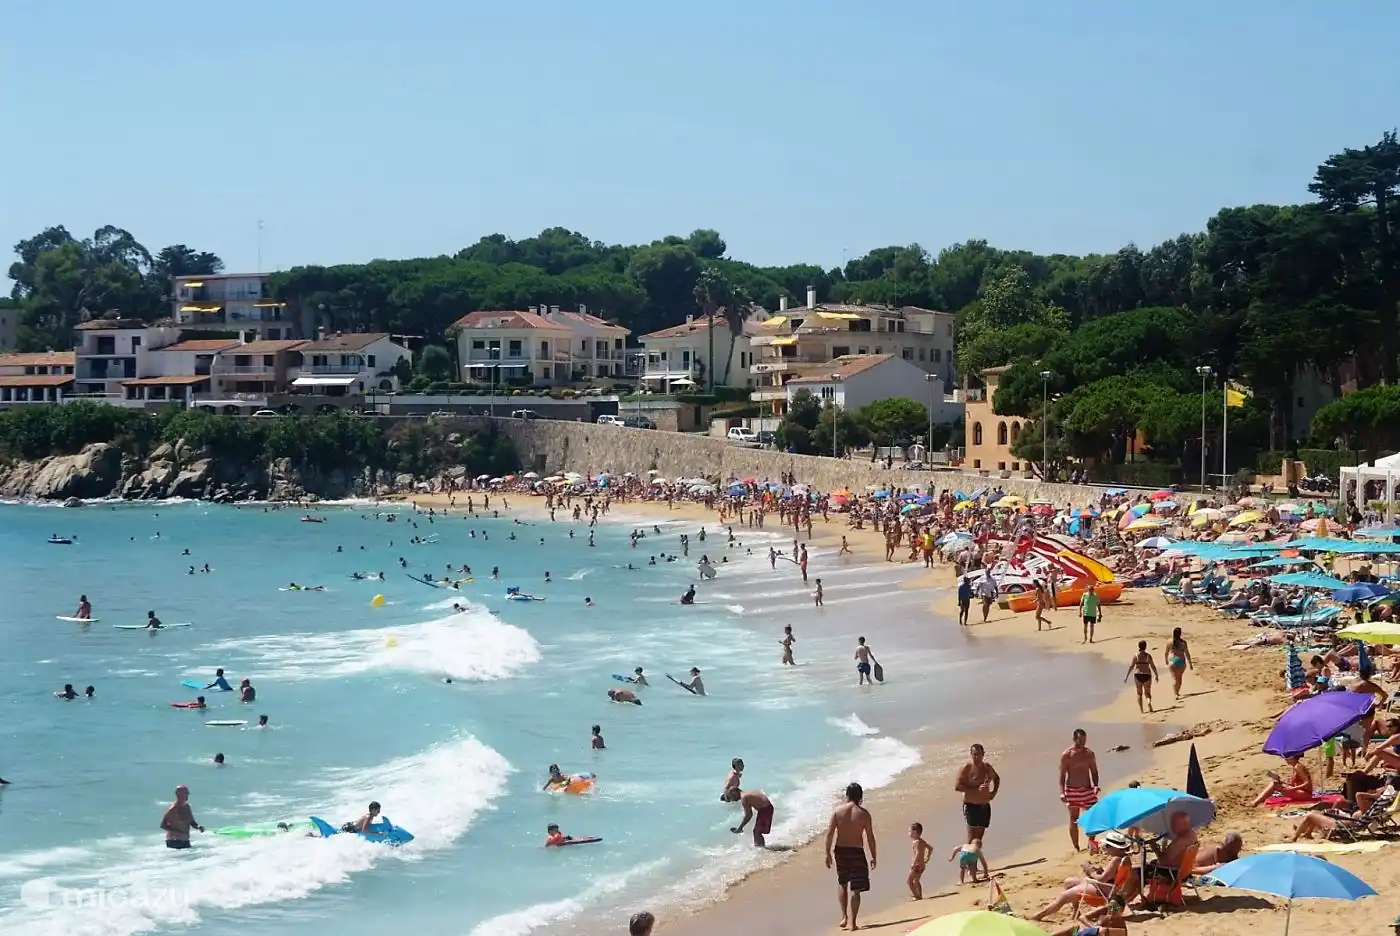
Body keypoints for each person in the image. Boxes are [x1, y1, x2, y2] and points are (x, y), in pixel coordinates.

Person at [1030, 831, 1132, 921]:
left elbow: (1102, 879)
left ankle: (1040, 915)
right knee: (1068, 882)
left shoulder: (1116, 860)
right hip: (1110, 888)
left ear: (1115, 847)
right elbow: (1112, 876)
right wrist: (1098, 870)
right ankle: (1076, 911)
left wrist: (1089, 871)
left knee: (1064, 896)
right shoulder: (1124, 858)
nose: (1106, 848)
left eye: (1108, 846)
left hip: (1102, 890)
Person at [824, 782, 876, 931]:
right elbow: (870, 837)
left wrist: (827, 853)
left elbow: (830, 834)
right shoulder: (864, 814)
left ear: (847, 795)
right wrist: (874, 856)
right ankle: (853, 922)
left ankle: (844, 917)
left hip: (840, 850)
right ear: (860, 797)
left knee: (842, 883)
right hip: (856, 851)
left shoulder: (837, 812)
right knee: (856, 888)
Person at [1060, 729, 1100, 851]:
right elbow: (1062, 775)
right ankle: (1076, 847)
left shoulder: (1089, 754)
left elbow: (1094, 771)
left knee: (1094, 816)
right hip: (1072, 789)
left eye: (1084, 740)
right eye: (1080, 740)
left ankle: (1091, 844)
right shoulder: (1067, 755)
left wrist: (1096, 785)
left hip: (1087, 789)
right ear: (1074, 739)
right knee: (1074, 819)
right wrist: (1062, 792)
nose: (1083, 742)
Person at [955, 743, 999, 843]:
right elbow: (957, 787)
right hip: (971, 806)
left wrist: (993, 793)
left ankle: (974, 854)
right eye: (974, 754)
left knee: (978, 841)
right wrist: (976, 790)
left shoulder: (987, 768)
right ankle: (966, 854)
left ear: (983, 754)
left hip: (984, 806)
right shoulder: (967, 768)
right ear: (971, 754)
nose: (977, 757)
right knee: (971, 839)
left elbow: (996, 778)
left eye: (979, 754)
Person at [160, 784, 204, 849]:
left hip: (185, 840)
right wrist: (178, 832)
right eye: (185, 793)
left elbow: (192, 822)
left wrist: (198, 827)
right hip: (174, 841)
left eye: (187, 793)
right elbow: (163, 825)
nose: (187, 795)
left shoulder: (187, 807)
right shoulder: (173, 809)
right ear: (178, 794)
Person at [1124, 640, 1159, 714]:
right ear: (1145, 647)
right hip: (1147, 675)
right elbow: (1153, 666)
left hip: (1138, 675)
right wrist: (1156, 675)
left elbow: (1131, 666)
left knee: (1139, 693)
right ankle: (1148, 702)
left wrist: (1126, 677)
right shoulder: (1148, 656)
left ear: (1139, 646)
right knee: (1147, 693)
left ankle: (1141, 710)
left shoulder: (1136, 656)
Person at [1164, 627, 1192, 700]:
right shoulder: (1183, 642)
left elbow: (1166, 653)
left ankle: (1175, 693)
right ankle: (1177, 691)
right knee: (1179, 678)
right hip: (1181, 660)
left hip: (1173, 660)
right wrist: (1190, 663)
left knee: (1174, 678)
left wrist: (1166, 660)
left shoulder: (1169, 642)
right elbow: (1187, 653)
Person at [907, 822, 933, 899]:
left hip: (917, 865)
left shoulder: (916, 842)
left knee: (909, 881)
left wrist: (913, 863)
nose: (908, 833)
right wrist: (927, 857)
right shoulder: (922, 841)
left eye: (909, 831)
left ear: (914, 832)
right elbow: (930, 848)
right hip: (922, 865)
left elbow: (917, 853)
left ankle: (916, 896)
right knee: (916, 881)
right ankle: (919, 895)